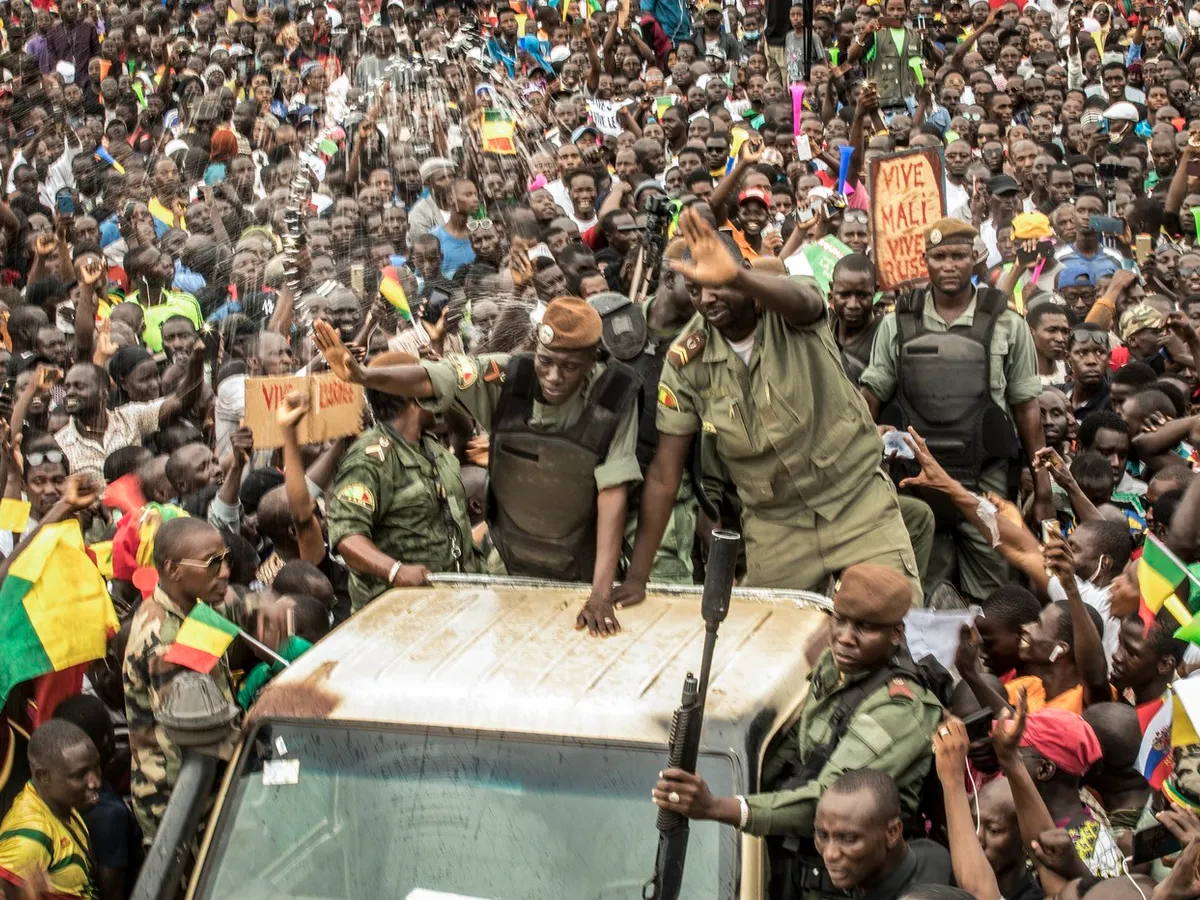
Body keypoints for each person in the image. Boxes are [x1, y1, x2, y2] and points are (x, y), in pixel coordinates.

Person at [619, 209, 921, 605]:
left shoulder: (787, 308)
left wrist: (736, 277)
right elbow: (664, 473)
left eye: (717, 284)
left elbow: (806, 301)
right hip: (776, 526)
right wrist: (638, 577)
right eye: (696, 290)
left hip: (856, 503)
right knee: (770, 648)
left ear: (744, 271)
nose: (708, 298)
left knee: (894, 622)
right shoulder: (685, 361)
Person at [314, 297, 642, 635]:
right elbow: (434, 377)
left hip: (583, 569)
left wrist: (601, 593)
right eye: (545, 362)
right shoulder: (510, 375)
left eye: (569, 367)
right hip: (507, 569)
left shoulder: (613, 396)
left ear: (592, 361)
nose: (554, 376)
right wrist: (364, 376)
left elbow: (612, 492)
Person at [650, 563, 947, 888]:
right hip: (804, 862)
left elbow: (828, 802)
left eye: (865, 627)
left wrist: (720, 806)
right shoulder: (836, 668)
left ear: (896, 634)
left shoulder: (899, 709)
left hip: (857, 881)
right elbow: (797, 749)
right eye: (840, 620)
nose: (845, 638)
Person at [862, 218, 1049, 602]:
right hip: (913, 479)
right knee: (915, 593)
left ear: (976, 258)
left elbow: (1027, 409)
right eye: (939, 256)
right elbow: (870, 399)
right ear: (925, 261)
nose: (949, 265)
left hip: (985, 482)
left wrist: (1042, 485)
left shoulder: (1007, 323)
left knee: (995, 593)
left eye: (959, 256)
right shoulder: (897, 322)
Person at [123, 517, 281, 845]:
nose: (224, 571)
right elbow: (196, 736)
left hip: (199, 783)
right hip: (180, 800)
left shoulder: (187, 606)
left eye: (226, 560)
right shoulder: (166, 642)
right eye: (212, 563)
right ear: (172, 569)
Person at [325, 352, 483, 612]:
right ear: (414, 396)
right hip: (399, 612)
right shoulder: (371, 459)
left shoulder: (429, 446)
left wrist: (445, 381)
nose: (435, 391)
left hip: (452, 601)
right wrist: (394, 571)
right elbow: (346, 536)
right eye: (428, 385)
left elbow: (464, 432)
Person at [0, 719, 101, 900]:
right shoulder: (30, 836)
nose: (95, 782)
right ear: (44, 776)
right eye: (80, 775)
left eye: (96, 767)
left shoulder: (60, 803)